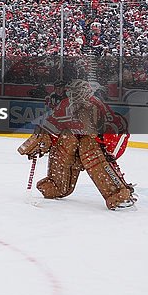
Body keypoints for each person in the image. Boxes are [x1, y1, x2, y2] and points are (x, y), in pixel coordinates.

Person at [18, 78, 135, 210]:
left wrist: (104, 147)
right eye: (72, 92)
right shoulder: (64, 105)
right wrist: (42, 139)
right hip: (80, 143)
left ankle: (118, 193)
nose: (73, 95)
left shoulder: (96, 106)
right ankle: (58, 186)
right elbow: (51, 126)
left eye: (77, 92)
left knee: (88, 146)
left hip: (104, 143)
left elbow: (115, 131)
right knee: (66, 141)